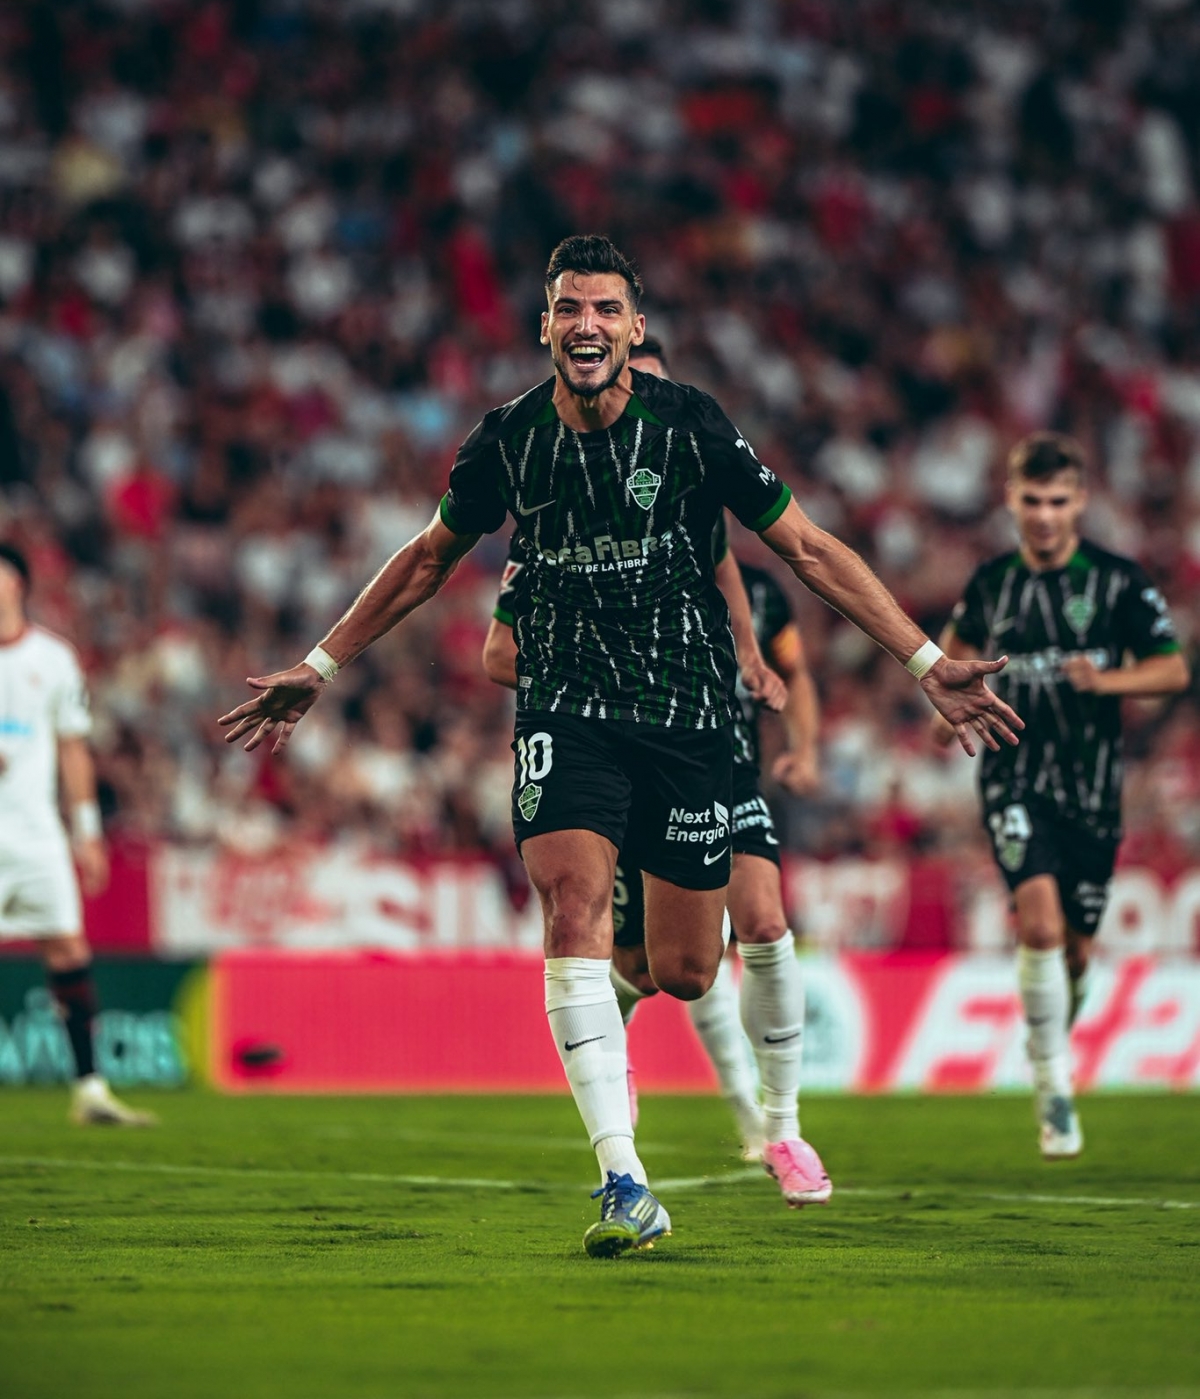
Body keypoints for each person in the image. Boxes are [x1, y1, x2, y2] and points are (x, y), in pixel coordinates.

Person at [220, 234, 1021, 1258]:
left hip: (688, 716)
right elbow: (428, 559)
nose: (586, 324)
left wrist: (923, 660)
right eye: (569, 308)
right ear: (545, 326)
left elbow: (807, 547)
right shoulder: (506, 440)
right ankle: (621, 1176)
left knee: (688, 969)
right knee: (572, 906)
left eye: (606, 308)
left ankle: (723, 1086)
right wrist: (320, 665)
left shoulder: (690, 426)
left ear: (635, 327)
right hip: (565, 708)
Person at [484, 337, 831, 1207]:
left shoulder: (715, 529)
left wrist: (755, 665)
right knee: (654, 965)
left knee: (761, 917)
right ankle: (615, 1066)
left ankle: (781, 1128)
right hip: (614, 752)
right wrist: (590, 675)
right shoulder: (563, 523)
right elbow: (498, 649)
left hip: (715, 750)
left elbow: (763, 614)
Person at [932, 433, 1188, 1159]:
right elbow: (950, 656)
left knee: (1074, 952)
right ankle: (1055, 1089)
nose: (1043, 515)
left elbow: (1170, 670)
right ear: (1011, 499)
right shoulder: (991, 582)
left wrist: (1104, 682)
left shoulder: (1117, 579)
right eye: (1031, 500)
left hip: (1095, 792)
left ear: (1079, 501)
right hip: (1014, 779)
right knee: (1038, 926)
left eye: (1057, 501)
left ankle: (1049, 1036)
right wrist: (940, 709)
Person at [0, 543, 154, 1126]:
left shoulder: (54, 659)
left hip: (36, 834)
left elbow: (72, 749)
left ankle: (90, 1090)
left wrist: (86, 832)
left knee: (68, 950)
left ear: (18, 585)